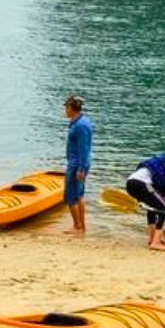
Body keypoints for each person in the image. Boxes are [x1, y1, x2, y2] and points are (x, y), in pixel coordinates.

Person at [123, 153, 165, 251]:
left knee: (152, 208)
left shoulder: (164, 166)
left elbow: (157, 191)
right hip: (143, 184)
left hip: (130, 183)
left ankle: (152, 239)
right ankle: (156, 242)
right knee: (164, 210)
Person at [62, 96, 92, 234]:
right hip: (77, 163)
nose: (64, 110)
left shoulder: (80, 125)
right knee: (79, 195)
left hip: (76, 165)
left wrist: (81, 169)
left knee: (70, 196)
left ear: (70, 108)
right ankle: (81, 226)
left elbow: (84, 148)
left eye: (66, 107)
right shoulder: (78, 122)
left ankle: (77, 226)